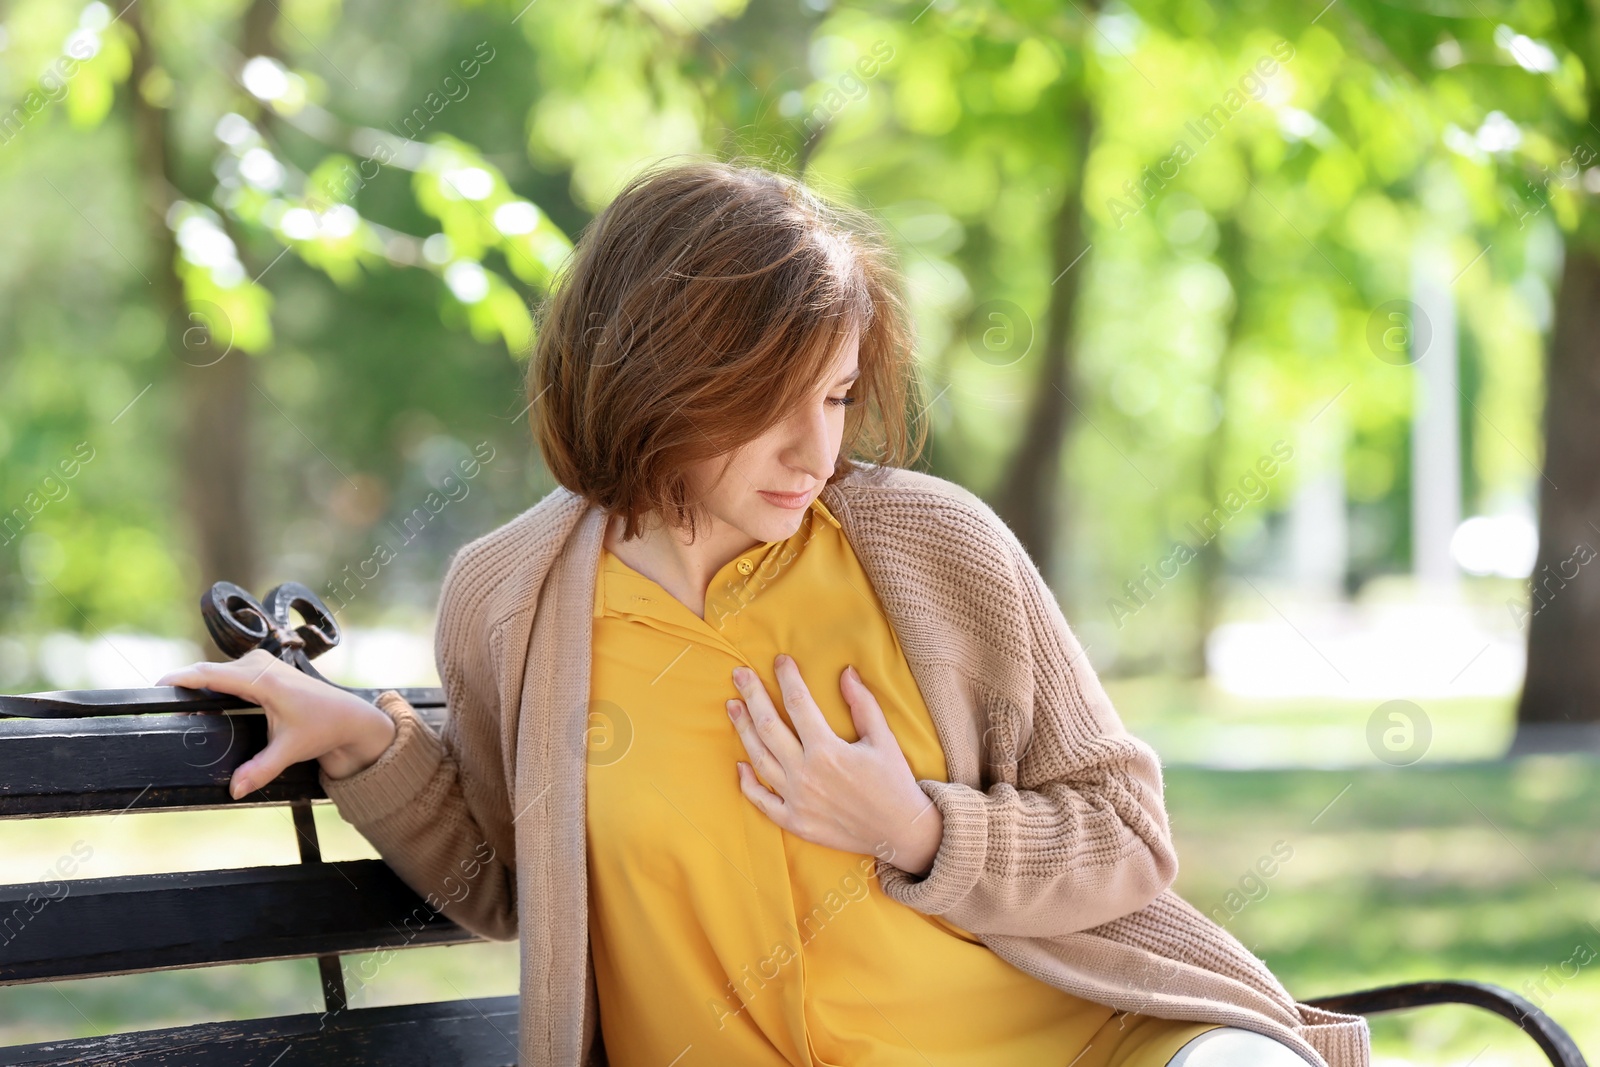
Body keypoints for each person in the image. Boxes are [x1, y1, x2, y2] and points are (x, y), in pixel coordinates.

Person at [156, 158, 1369, 1067]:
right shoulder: (511, 596)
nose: (813, 446)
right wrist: (368, 741)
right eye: (767, 402)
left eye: (837, 395)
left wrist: (919, 825)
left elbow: (1124, 833)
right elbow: (518, 882)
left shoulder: (928, 545)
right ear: (649, 378)